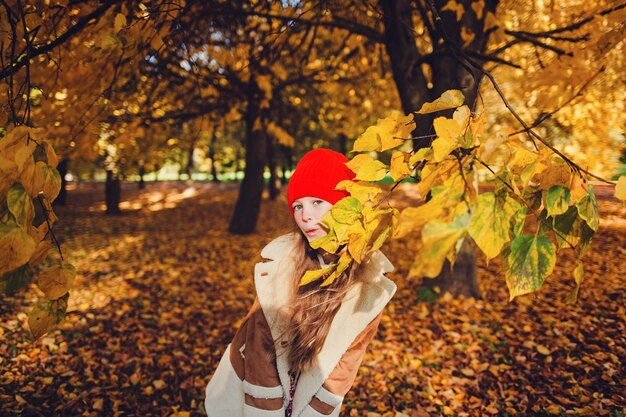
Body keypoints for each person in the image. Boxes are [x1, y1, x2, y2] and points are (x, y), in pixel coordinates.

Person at [204, 148, 396, 417]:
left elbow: (346, 364)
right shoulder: (281, 266)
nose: (305, 216)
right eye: (298, 206)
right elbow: (261, 349)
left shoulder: (371, 284)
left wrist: (315, 412)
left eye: (317, 202)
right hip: (253, 390)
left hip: (307, 395)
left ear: (346, 206)